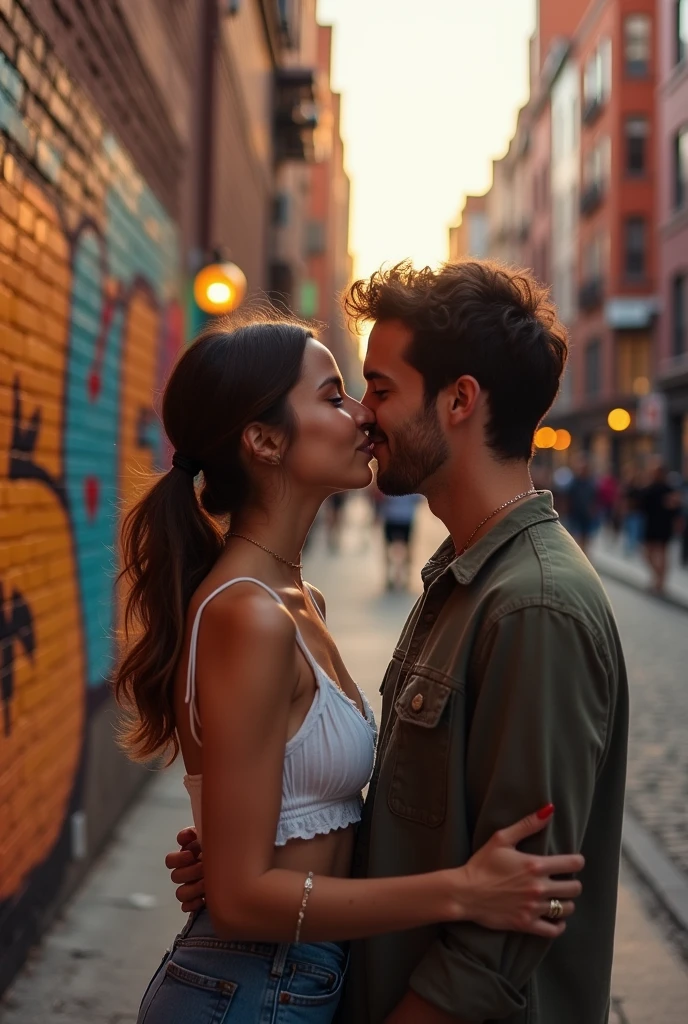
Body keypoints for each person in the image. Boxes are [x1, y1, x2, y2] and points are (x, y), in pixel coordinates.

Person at [166, 262, 629, 1024]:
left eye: (378, 390)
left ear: (459, 400)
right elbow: (424, 828)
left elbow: (510, 918)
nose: (363, 415)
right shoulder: (457, 580)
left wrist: (259, 872)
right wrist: (251, 858)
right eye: (346, 394)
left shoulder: (531, 605)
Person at [639, 457, 681, 595]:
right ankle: (658, 578)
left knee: (662, 552)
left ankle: (660, 582)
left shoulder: (669, 489)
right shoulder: (649, 487)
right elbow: (641, 504)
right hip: (651, 524)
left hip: (663, 525)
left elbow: (676, 508)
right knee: (648, 553)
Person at [379, 492, 423, 589]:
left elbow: (381, 498)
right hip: (406, 517)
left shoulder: (388, 482)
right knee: (407, 547)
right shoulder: (411, 484)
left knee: (389, 547)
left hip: (391, 516)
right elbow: (419, 499)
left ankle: (389, 576)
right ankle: (405, 576)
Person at [565, 454, 599, 555]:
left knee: (586, 537)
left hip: (586, 514)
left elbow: (595, 497)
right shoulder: (574, 482)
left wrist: (593, 509)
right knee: (575, 535)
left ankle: (584, 554)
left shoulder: (591, 483)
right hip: (575, 513)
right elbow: (569, 496)